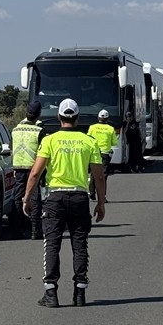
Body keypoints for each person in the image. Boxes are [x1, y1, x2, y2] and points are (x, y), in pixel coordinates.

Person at [22, 98, 104, 308]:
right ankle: (80, 293)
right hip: (79, 198)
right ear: (77, 119)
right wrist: (101, 202)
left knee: (52, 244)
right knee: (79, 244)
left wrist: (27, 198)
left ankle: (51, 292)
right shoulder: (89, 141)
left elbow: (35, 173)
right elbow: (99, 176)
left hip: (55, 198)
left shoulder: (50, 140)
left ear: (59, 117)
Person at [10, 101, 48, 240]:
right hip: (34, 168)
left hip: (19, 167)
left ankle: (16, 230)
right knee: (35, 197)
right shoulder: (39, 131)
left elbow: (12, 149)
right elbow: (44, 152)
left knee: (17, 198)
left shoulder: (15, 129)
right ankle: (35, 230)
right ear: (38, 114)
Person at [86, 109, 117, 199]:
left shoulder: (92, 127)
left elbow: (88, 139)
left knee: (93, 173)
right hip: (105, 154)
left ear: (98, 118)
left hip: (94, 153)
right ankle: (102, 196)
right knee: (103, 175)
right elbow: (114, 142)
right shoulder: (111, 129)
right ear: (107, 119)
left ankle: (91, 193)